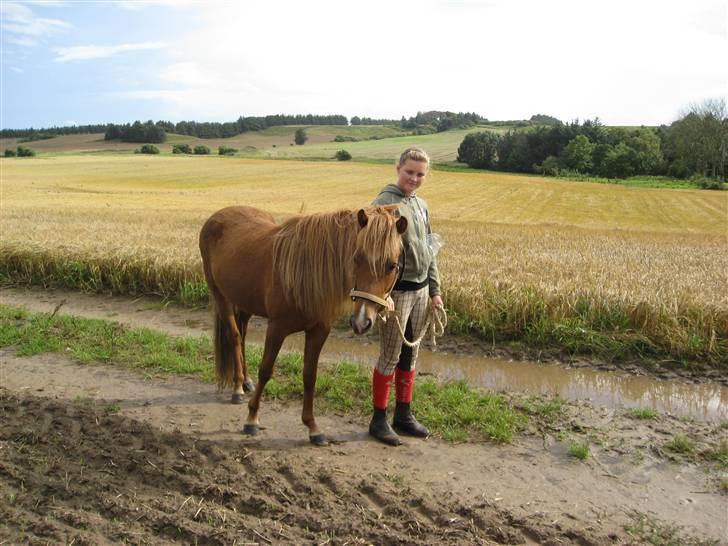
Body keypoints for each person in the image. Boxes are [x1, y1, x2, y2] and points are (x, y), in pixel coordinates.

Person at [369, 147, 443, 446]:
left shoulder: (421, 205)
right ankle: (378, 420)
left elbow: (430, 249)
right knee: (390, 355)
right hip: (396, 293)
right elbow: (372, 258)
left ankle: (404, 415)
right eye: (409, 171)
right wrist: (381, 295)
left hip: (422, 290)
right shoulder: (383, 205)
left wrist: (435, 290)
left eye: (420, 174)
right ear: (397, 168)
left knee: (410, 354)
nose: (414, 178)